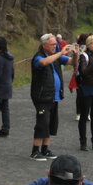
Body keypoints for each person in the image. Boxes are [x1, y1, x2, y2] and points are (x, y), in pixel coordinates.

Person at [31, 33, 74, 161]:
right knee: (42, 123)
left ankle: (45, 148)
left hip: (54, 95)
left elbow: (72, 62)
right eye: (52, 44)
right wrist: (60, 53)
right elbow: (44, 62)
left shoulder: (56, 56)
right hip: (42, 95)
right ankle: (35, 151)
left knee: (51, 123)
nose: (55, 46)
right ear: (44, 45)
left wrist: (76, 53)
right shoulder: (38, 57)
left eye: (56, 44)